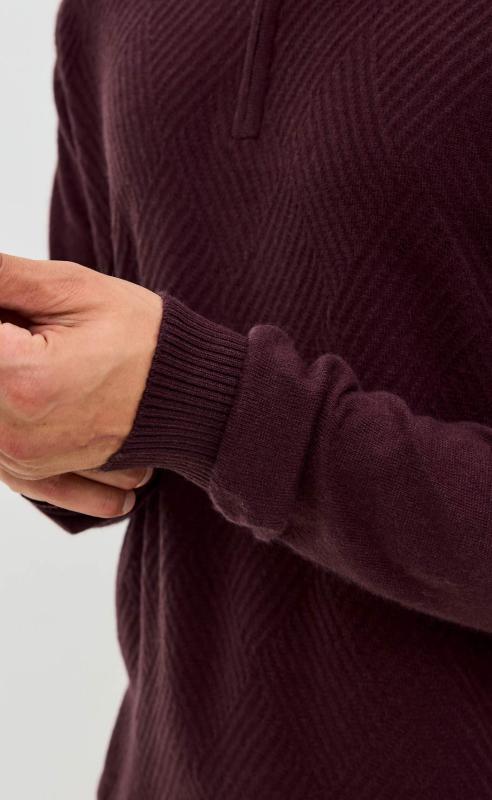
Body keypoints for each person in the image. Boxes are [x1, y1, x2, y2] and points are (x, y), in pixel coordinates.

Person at [2, 0, 492, 797]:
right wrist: (33, 405)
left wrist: (215, 407)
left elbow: (166, 387)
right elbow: (108, 436)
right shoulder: (102, 12)